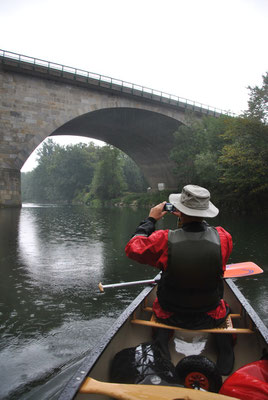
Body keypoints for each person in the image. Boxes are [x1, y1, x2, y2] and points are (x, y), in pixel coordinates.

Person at [125, 184, 234, 374]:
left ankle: (161, 341)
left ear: (180, 210)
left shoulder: (163, 240)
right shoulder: (224, 237)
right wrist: (190, 218)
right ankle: (226, 352)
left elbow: (133, 247)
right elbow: (205, 237)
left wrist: (150, 219)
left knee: (162, 307)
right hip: (209, 314)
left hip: (170, 312)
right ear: (206, 212)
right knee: (226, 308)